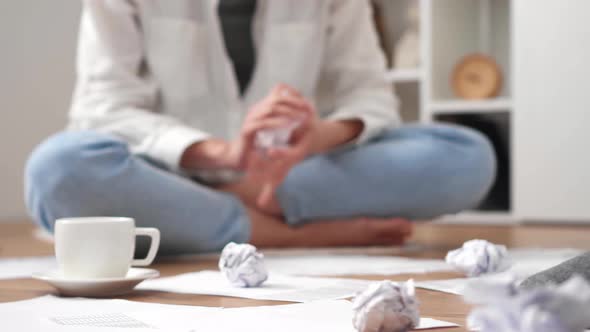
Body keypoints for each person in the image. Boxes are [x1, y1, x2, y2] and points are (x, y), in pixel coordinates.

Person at [25, 0, 496, 255]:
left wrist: (319, 137)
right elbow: (103, 107)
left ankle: (233, 210)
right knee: (58, 170)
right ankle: (287, 234)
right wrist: (220, 154)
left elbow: (370, 95)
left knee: (466, 156)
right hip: (166, 173)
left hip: (286, 177)